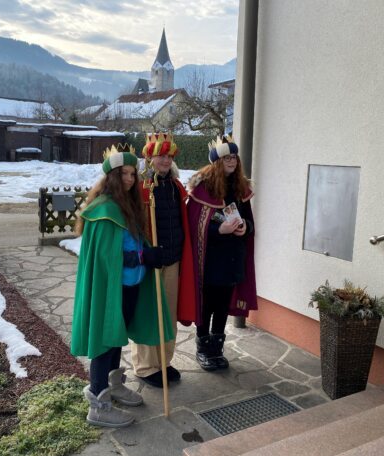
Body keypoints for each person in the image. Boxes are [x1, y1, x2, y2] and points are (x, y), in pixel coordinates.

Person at [71, 146, 174, 428]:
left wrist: (148, 252)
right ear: (112, 177)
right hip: (110, 290)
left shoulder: (126, 206)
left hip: (128, 288)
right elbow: (109, 258)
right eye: (124, 174)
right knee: (106, 342)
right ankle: (98, 402)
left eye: (132, 173)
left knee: (116, 338)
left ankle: (113, 385)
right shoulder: (103, 210)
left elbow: (132, 243)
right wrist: (142, 257)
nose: (130, 179)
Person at [131, 133, 197, 388]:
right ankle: (146, 367)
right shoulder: (140, 188)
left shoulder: (176, 186)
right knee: (150, 314)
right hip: (151, 262)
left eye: (169, 156)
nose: (165, 160)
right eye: (160, 155)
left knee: (168, 314)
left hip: (173, 260)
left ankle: (164, 362)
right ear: (149, 157)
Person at [187, 135, 257, 371]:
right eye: (227, 157)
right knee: (207, 304)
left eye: (234, 157)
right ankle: (202, 349)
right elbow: (196, 224)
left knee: (223, 306)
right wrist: (219, 230)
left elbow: (250, 222)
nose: (232, 161)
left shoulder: (240, 189)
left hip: (233, 258)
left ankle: (216, 349)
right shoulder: (203, 188)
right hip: (209, 259)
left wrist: (245, 227)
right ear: (217, 162)